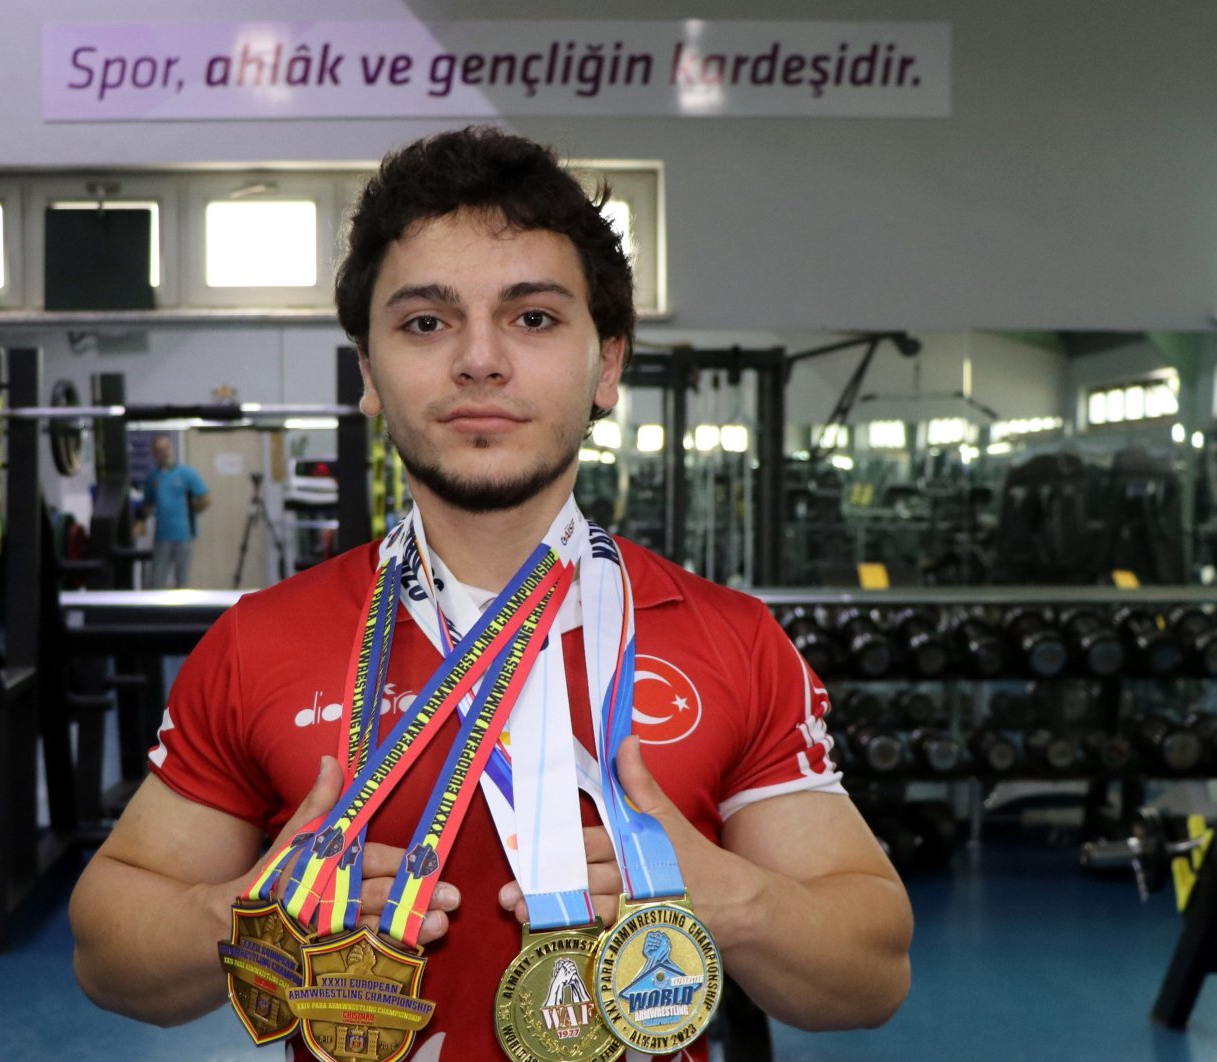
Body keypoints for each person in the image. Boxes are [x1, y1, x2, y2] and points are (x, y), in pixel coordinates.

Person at [70, 127, 912, 1060]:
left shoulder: (733, 641)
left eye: (534, 318)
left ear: (608, 367)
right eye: (426, 322)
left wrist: (734, 902)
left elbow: (872, 975)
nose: (479, 360)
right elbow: (107, 949)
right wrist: (241, 917)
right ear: (368, 376)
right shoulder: (261, 641)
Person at [140, 434, 210, 589]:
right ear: (154, 453)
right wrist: (139, 522)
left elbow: (205, 498)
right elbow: (147, 504)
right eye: (158, 450)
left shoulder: (186, 474)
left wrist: (191, 512)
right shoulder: (152, 478)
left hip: (184, 535)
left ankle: (182, 612)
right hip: (162, 536)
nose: (163, 453)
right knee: (156, 580)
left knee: (182, 581)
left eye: (165, 448)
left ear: (171, 449)